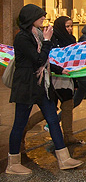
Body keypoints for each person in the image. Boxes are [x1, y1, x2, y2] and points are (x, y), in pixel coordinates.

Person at [6, 5, 83, 174]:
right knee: (19, 124)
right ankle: (13, 163)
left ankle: (64, 158)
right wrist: (47, 41)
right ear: (30, 18)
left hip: (41, 85)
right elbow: (38, 60)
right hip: (26, 86)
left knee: (53, 120)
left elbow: (45, 62)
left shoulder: (37, 35)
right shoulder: (22, 38)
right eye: (40, 16)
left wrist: (59, 69)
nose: (43, 18)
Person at [22, 16, 80, 149]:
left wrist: (75, 83)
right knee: (50, 109)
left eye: (71, 26)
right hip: (54, 79)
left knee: (67, 105)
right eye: (67, 26)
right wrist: (59, 69)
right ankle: (23, 129)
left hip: (67, 78)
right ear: (60, 26)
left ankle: (68, 135)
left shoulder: (71, 40)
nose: (70, 29)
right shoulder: (52, 40)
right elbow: (46, 59)